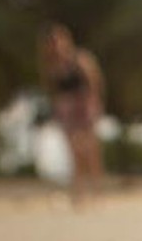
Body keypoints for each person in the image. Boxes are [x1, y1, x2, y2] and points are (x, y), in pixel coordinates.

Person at [38, 24, 105, 203]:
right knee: (73, 150)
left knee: (90, 148)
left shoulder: (80, 59)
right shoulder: (51, 66)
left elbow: (94, 81)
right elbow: (52, 89)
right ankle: (79, 191)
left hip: (84, 104)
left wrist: (93, 103)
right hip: (65, 107)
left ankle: (97, 189)